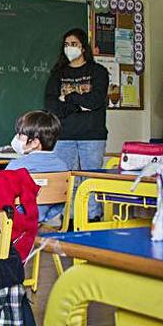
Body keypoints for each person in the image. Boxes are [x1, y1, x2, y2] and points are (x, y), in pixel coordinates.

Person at [44, 28, 108, 219]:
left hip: (92, 136)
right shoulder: (57, 74)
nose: (69, 48)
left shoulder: (98, 72)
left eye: (74, 44)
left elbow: (96, 100)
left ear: (83, 47)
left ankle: (93, 218)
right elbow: (52, 105)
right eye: (66, 45)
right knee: (67, 180)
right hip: (64, 136)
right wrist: (80, 105)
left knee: (91, 179)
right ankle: (69, 219)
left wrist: (69, 97)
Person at [6, 110, 69, 224]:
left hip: (17, 223)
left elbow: (2, 197)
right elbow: (59, 205)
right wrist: (43, 219)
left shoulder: (16, 166)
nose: (16, 139)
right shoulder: (63, 167)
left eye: (20, 135)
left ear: (34, 143)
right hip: (45, 221)